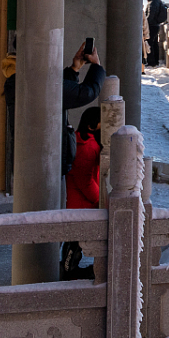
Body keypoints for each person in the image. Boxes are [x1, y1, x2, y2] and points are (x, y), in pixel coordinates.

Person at [59, 106, 102, 279]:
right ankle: (69, 271)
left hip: (77, 201)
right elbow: (85, 181)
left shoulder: (79, 140)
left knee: (74, 239)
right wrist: (99, 198)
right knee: (74, 241)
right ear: (92, 125)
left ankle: (69, 269)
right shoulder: (87, 146)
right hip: (82, 202)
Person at [62, 40, 104, 177]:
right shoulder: (34, 77)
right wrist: (97, 66)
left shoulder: (21, 75)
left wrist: (74, 70)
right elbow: (85, 93)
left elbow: (63, 91)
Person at [144, 0, 168, 66]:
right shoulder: (157, 1)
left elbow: (150, 16)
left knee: (149, 43)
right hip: (156, 25)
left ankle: (151, 62)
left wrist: (145, 24)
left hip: (152, 26)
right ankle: (155, 61)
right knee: (154, 43)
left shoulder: (152, 3)